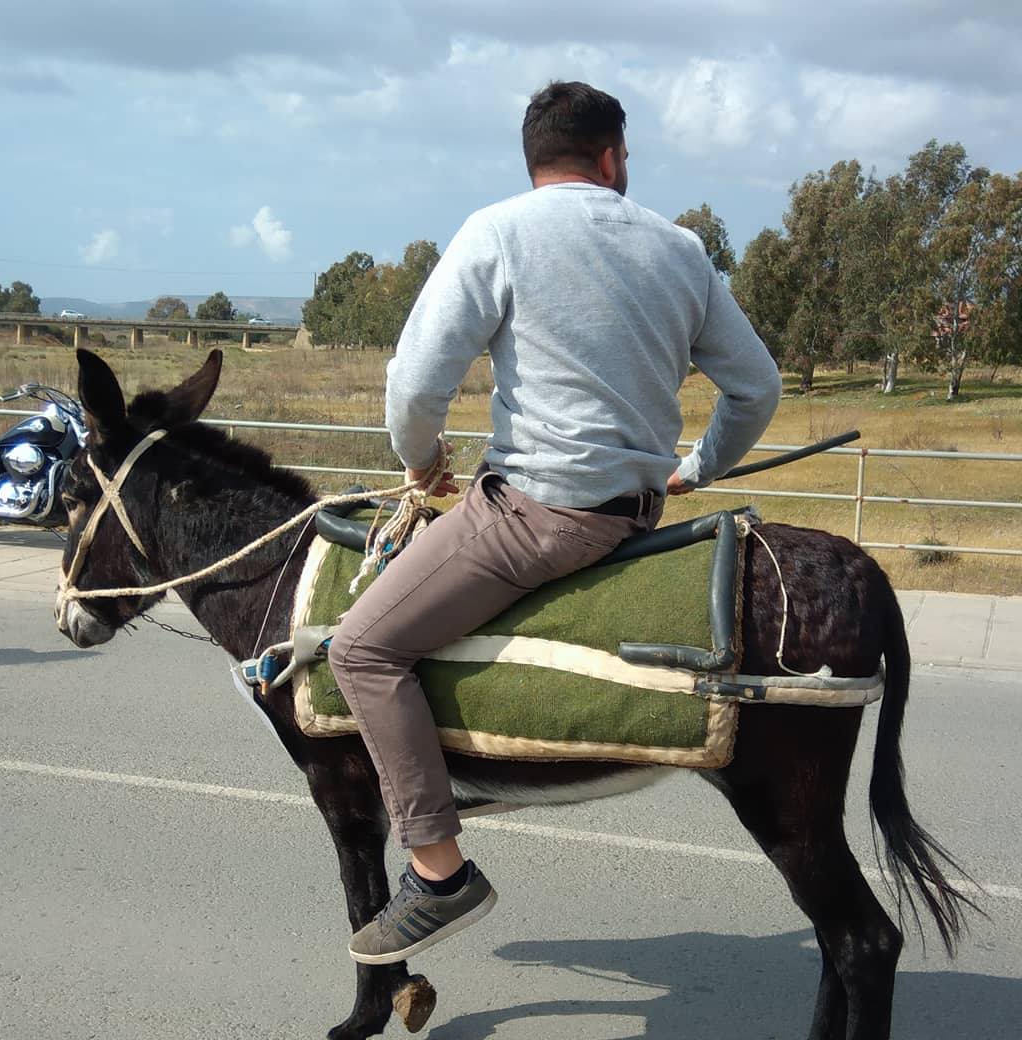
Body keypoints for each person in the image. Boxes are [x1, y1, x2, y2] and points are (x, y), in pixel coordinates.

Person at [329, 80, 782, 965]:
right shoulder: (682, 248)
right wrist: (696, 468)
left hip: (534, 516)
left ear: (535, 159)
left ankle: (437, 872)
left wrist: (420, 463)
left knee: (360, 649)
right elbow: (755, 388)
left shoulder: (497, 232)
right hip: (637, 511)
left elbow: (415, 385)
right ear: (612, 158)